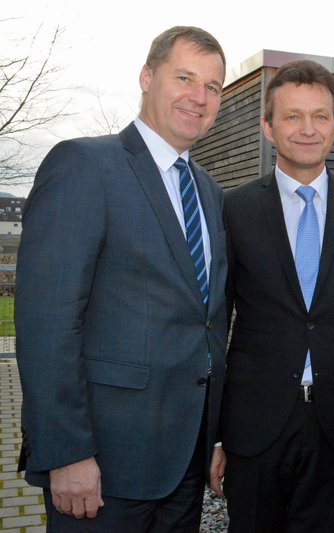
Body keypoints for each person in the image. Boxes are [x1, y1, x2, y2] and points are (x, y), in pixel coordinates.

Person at [15, 26, 228, 530]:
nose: (199, 97)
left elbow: (207, 322)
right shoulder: (85, 164)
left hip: (185, 460)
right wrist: (65, 453)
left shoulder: (209, 191)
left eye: (213, 87)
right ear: (147, 77)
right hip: (103, 466)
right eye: (185, 77)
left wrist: (214, 436)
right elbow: (47, 322)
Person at [218, 59, 334, 532]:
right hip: (252, 422)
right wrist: (213, 433)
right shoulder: (234, 208)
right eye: (292, 116)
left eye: (320, 116)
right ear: (268, 127)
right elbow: (215, 320)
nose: (307, 128)